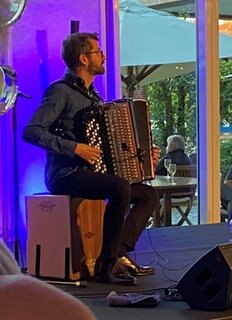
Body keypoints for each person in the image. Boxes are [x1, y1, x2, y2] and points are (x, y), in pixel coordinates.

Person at [23, 32, 159, 285]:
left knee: (148, 195)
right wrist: (75, 148)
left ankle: (117, 253)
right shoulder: (60, 91)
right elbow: (31, 132)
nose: (103, 56)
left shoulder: (94, 98)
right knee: (118, 188)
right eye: (98, 52)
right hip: (65, 174)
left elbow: (110, 149)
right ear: (84, 59)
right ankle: (105, 267)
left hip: (91, 173)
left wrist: (143, 156)